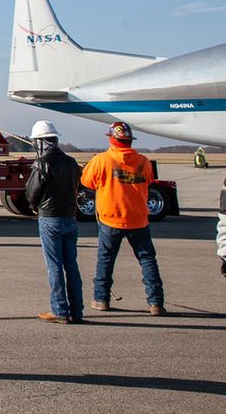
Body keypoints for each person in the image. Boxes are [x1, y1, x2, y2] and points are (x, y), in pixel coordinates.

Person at [82, 122, 166, 316]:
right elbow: (149, 180)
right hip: (138, 218)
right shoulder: (143, 161)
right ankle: (156, 303)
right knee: (147, 260)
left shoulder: (101, 160)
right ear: (129, 140)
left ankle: (101, 299)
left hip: (110, 218)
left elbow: (87, 182)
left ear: (112, 138)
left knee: (106, 259)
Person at [22, 120, 83, 324]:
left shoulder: (42, 164)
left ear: (39, 142)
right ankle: (76, 310)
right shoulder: (72, 162)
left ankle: (59, 310)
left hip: (50, 218)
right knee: (71, 265)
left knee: (54, 266)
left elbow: (31, 193)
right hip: (70, 217)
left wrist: (34, 207)